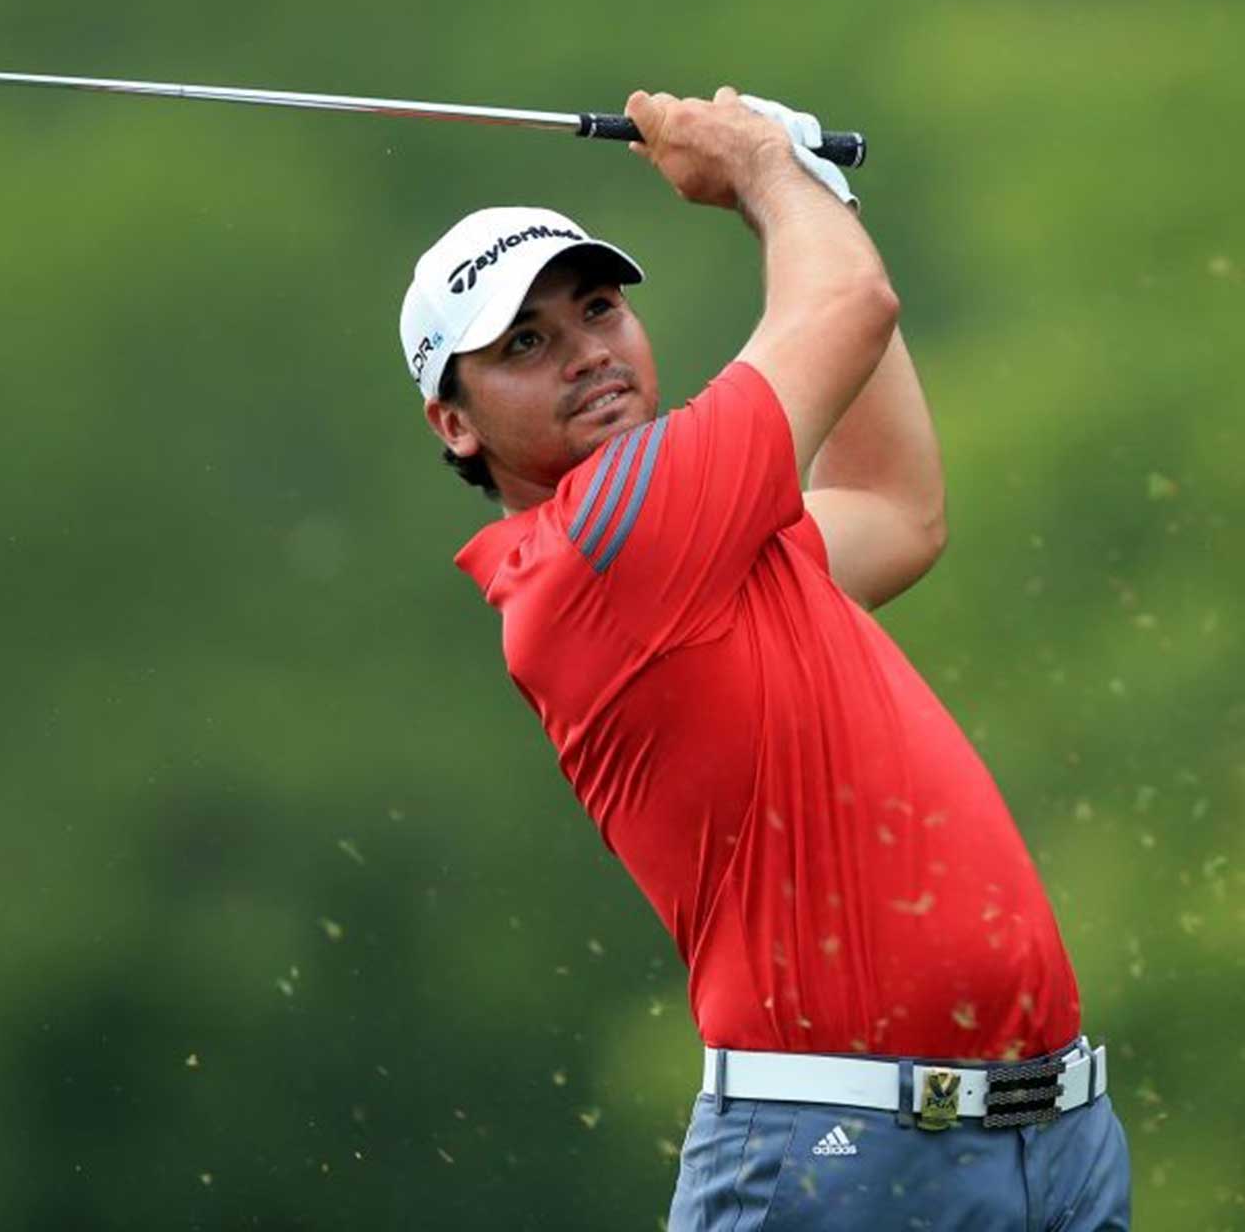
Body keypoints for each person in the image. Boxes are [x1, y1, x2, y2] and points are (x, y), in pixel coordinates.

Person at [398, 87, 1132, 1229]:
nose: (587, 353)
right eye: (525, 345)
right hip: (834, 1159)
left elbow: (892, 506)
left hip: (1051, 1144)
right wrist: (758, 165)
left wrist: (806, 188)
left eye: (597, 310)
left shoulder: (706, 546)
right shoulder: (608, 536)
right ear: (455, 422)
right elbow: (848, 298)